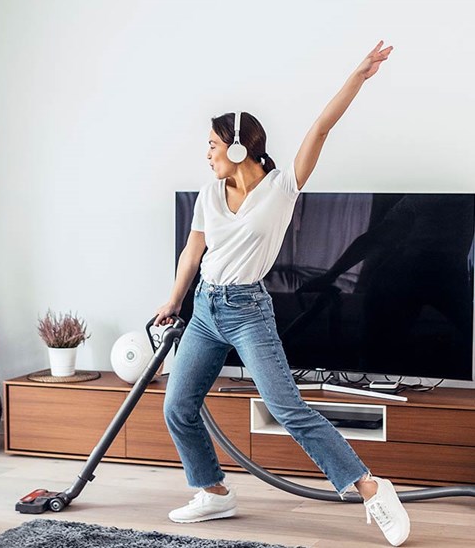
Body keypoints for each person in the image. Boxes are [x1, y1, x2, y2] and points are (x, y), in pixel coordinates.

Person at [153, 41, 410, 546]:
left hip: (248, 310)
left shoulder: (282, 186)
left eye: (210, 145)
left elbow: (320, 128)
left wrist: (357, 76)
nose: (205, 154)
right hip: (206, 307)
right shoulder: (209, 192)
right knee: (178, 406)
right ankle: (214, 492)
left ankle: (373, 487)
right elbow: (192, 252)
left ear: (234, 147)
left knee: (287, 408)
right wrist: (172, 300)